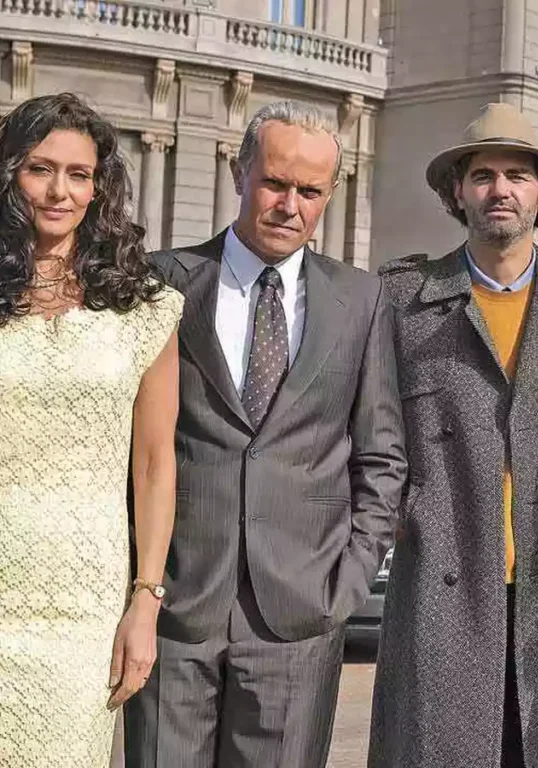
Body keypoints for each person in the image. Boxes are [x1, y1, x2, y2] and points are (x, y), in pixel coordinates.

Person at [123, 101, 406, 767]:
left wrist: (346, 582)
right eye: (275, 183)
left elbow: (382, 456)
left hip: (300, 617)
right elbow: (129, 446)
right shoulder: (160, 284)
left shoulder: (362, 302)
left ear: (330, 195)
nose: (289, 205)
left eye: (310, 191)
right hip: (175, 607)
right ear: (238, 171)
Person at [370, 102, 538, 768]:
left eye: (518, 173)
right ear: (458, 190)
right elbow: (368, 427)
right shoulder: (404, 300)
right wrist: (401, 510)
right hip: (441, 591)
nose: (500, 189)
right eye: (483, 174)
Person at [0, 93, 181, 767]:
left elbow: (157, 463)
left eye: (79, 174)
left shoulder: (143, 306)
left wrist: (146, 600)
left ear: (100, 187)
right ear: (10, 176)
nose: (60, 191)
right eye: (40, 169)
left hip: (84, 605)